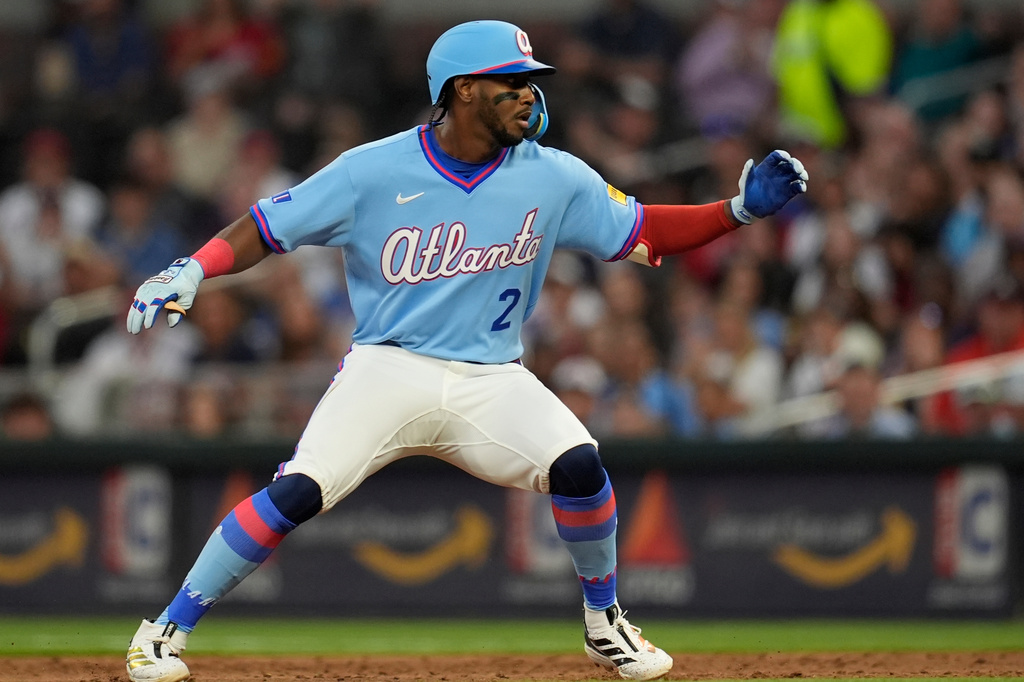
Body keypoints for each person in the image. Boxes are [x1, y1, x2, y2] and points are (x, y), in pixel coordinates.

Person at [123, 20, 807, 682]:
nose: (529, 95)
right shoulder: (373, 168)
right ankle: (163, 630)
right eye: (511, 83)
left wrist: (735, 211)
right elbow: (269, 226)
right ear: (462, 90)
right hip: (388, 366)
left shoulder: (553, 174)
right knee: (298, 490)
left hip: (492, 376)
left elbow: (644, 231)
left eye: (530, 83)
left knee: (581, 467)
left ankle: (605, 624)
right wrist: (195, 267)